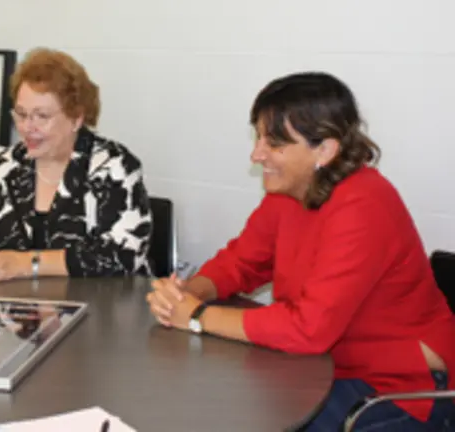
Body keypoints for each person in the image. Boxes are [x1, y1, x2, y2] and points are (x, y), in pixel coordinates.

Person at [147, 72, 455, 431]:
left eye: (275, 143)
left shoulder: (364, 204)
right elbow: (241, 262)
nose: (257, 153)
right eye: (258, 136)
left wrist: (198, 317)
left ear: (324, 149)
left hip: (398, 385)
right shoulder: (289, 190)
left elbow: (309, 329)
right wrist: (186, 294)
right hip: (324, 365)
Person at [0, 47, 152, 285]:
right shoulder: (4, 167)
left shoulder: (114, 166)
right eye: (21, 114)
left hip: (100, 311)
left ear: (76, 118)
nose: (27, 127)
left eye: (41, 116)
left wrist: (22, 264)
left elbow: (122, 257)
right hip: (13, 311)